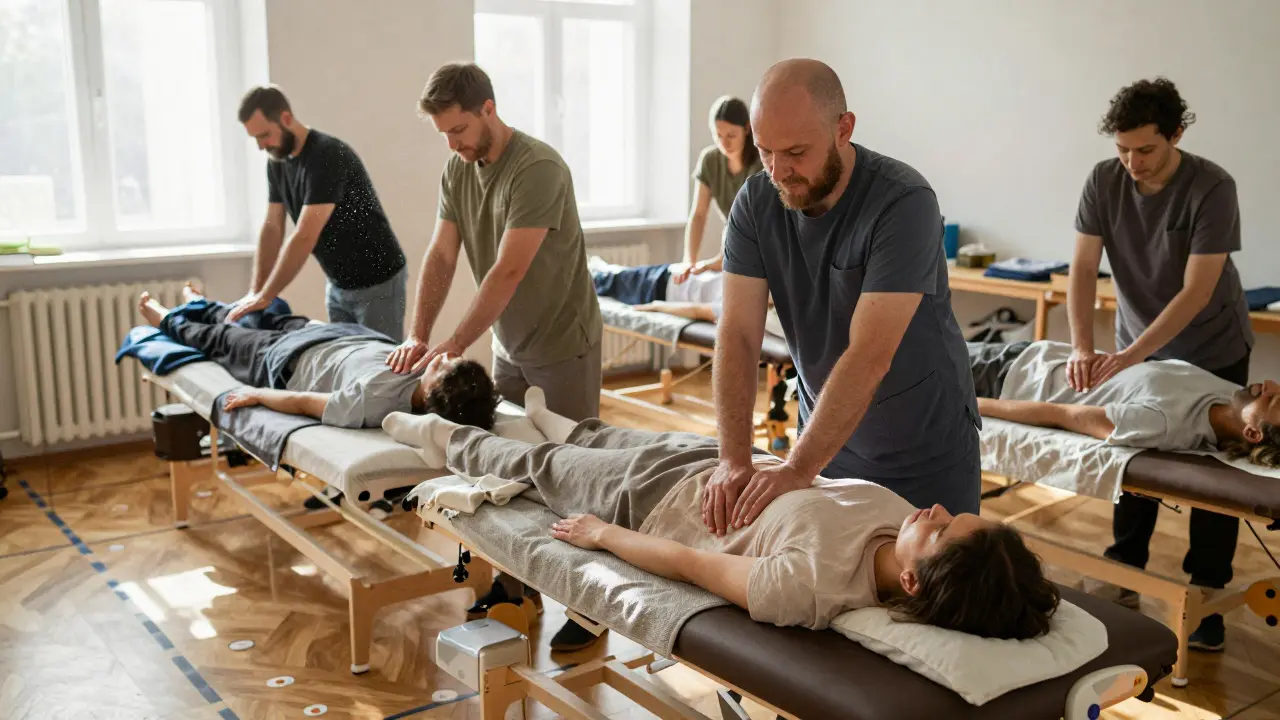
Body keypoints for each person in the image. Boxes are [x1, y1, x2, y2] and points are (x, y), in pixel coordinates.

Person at [424, 393, 1060, 640]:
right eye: (957, 514)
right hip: (722, 462)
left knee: (537, 464)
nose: (937, 509)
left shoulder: (808, 587)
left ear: (914, 582)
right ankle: (548, 420)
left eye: (941, 529)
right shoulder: (900, 523)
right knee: (605, 435)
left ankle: (435, 433)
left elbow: (689, 564)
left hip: (648, 502)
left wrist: (604, 534)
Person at [709, 59, 980, 540]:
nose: (778, 171)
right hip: (825, 445)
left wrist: (796, 469)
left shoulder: (904, 202)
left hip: (924, 454)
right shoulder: (755, 202)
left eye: (796, 152)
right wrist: (733, 458)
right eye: (765, 151)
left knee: (931, 583)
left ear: (843, 128)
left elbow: (869, 354)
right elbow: (738, 334)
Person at [388, 62, 604, 651]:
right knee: (506, 469)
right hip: (511, 341)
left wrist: (455, 344)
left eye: (458, 130)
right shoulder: (457, 170)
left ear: (488, 109)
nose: (452, 145)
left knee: (571, 476)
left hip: (562, 342)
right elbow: (441, 255)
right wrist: (418, 334)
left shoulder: (537, 169)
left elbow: (508, 270)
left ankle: (590, 607)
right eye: (443, 134)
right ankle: (517, 586)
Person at [1065, 78, 1253, 651]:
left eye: (1145, 149)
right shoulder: (1104, 180)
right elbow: (1082, 270)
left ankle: (1207, 595)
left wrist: (1130, 355)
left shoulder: (1212, 186)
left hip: (1213, 347)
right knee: (1133, 455)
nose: (1133, 162)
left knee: (1213, 475)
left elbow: (1197, 290)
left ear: (1176, 135)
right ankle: (1125, 572)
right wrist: (1082, 346)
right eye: (1123, 149)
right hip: (1137, 345)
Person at [135, 286, 498, 432]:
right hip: (321, 334)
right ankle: (202, 304)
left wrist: (257, 394)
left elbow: (304, 401)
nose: (443, 357)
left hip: (282, 359)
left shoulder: (373, 403)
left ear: (433, 391)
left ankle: (166, 319)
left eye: (444, 367)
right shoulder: (420, 366)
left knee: (221, 338)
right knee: (255, 315)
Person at [233, 86, 409, 341]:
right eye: (255, 139)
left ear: (286, 118)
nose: (261, 146)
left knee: (379, 362)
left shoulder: (326, 155)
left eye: (265, 135)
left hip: (378, 283)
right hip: (338, 285)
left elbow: (305, 236)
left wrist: (266, 297)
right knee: (343, 359)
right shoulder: (277, 163)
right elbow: (272, 227)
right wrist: (255, 292)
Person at [969, 341, 1280, 464]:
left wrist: (973, 403)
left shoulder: (1163, 423)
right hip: (1032, 355)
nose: (1270, 385)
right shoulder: (1229, 395)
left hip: (1006, 378)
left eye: (1274, 400)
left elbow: (1059, 413)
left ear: (1253, 432)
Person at [672, 97, 765, 286]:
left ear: (747, 129)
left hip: (758, 241)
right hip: (731, 243)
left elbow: (753, 222)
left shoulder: (761, 162)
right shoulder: (710, 160)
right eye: (718, 135)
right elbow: (698, 215)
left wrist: (719, 261)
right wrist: (689, 261)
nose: (724, 143)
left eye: (731, 135)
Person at [588, 257, 785, 337]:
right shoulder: (756, 276)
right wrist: (703, 265)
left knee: (605, 283)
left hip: (662, 290)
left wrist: (656, 306)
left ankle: (598, 270)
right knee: (612, 279)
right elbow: (725, 260)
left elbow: (696, 311)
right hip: (674, 275)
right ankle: (601, 269)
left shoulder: (740, 308)